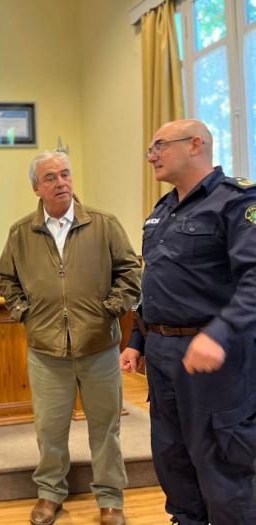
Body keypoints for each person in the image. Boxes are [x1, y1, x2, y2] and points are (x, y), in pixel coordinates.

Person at [120, 119, 256, 525]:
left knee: (220, 460)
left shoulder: (236, 202)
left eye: (158, 146)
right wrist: (137, 340)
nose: (151, 156)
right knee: (172, 455)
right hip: (163, 354)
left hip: (215, 356)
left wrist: (220, 332)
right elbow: (156, 285)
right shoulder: (161, 211)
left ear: (195, 144)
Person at [0, 151, 141, 525]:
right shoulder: (20, 232)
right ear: (36, 188)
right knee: (49, 429)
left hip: (99, 348)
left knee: (106, 428)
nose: (61, 182)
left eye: (65, 174)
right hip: (45, 351)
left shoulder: (104, 224)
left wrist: (111, 308)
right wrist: (24, 314)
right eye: (51, 177)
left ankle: (111, 500)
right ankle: (50, 494)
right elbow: (6, 280)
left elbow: (129, 271)